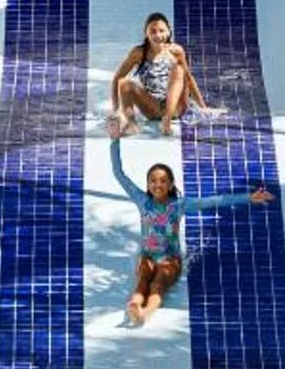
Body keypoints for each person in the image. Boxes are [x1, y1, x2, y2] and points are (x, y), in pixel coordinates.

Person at [111, 136, 272, 326]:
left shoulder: (179, 205)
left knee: (157, 284)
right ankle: (135, 305)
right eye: (153, 180)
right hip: (148, 255)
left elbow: (214, 201)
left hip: (170, 259)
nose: (157, 185)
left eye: (163, 181)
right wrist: (115, 141)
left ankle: (145, 314)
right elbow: (119, 174)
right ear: (147, 185)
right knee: (143, 279)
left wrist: (248, 197)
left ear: (171, 184)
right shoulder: (142, 201)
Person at [106, 13, 217, 138]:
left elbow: (189, 80)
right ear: (146, 34)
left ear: (169, 32)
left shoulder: (176, 51)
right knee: (124, 83)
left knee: (179, 70)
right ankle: (131, 125)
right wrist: (116, 110)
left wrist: (203, 107)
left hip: (177, 107)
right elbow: (117, 78)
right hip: (153, 108)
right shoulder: (138, 53)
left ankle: (167, 121)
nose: (158, 35)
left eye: (161, 30)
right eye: (153, 31)